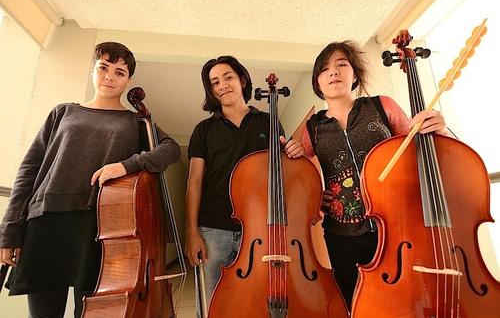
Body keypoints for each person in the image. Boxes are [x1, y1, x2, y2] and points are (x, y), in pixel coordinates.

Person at [0, 42, 180, 318]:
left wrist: (126, 165)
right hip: (46, 221)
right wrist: (10, 232)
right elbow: (29, 170)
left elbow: (170, 149)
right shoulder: (63, 112)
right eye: (104, 68)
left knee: (90, 312)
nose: (110, 76)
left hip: (98, 227)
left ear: (128, 80)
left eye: (119, 72)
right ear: (93, 71)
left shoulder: (134, 122)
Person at [301, 39, 453, 309]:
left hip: (395, 225)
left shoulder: (382, 105)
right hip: (342, 233)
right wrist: (313, 196)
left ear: (354, 74)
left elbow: (417, 149)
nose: (334, 72)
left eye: (342, 64)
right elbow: (296, 175)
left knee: (407, 301)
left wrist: (438, 129)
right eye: (325, 69)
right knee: (359, 305)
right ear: (317, 81)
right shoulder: (312, 127)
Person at [184, 55, 304, 317]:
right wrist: (191, 232)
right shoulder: (203, 129)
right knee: (214, 304)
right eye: (214, 82)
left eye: (228, 77)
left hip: (259, 227)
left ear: (242, 80)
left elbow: (282, 172)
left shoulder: (267, 122)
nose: (222, 85)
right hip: (213, 228)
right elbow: (194, 182)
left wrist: (295, 151)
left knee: (259, 301)